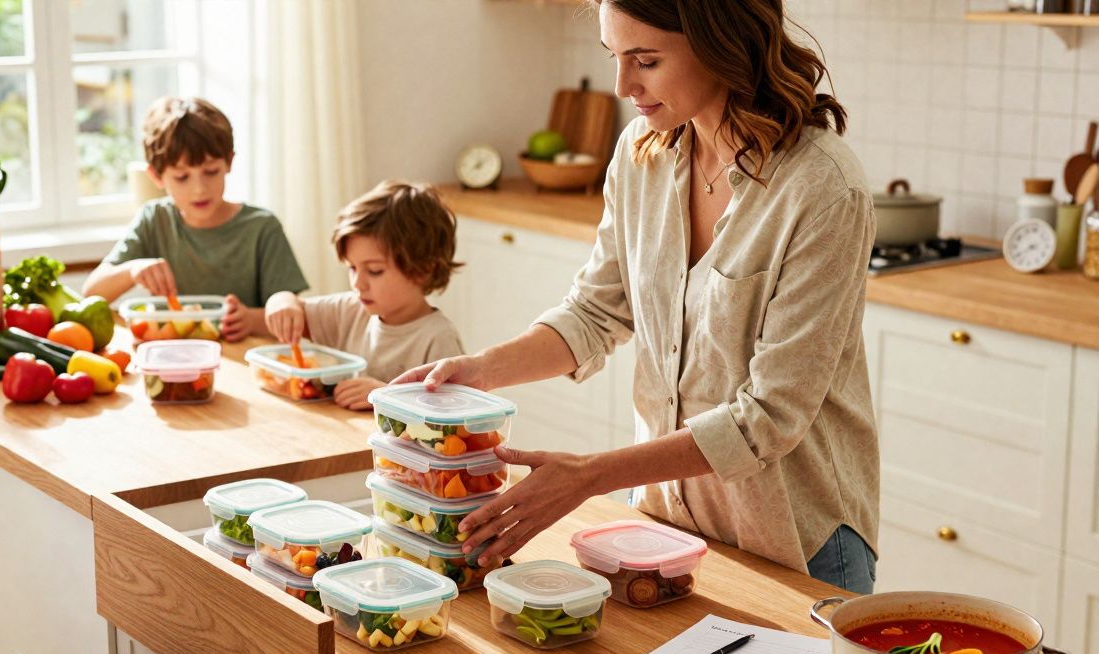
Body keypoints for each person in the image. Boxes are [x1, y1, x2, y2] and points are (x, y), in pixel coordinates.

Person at [395, 0, 880, 594]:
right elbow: (597, 311)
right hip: (662, 522)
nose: (623, 85)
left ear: (721, 43)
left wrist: (588, 476)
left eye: (645, 60)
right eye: (615, 58)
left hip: (795, 541)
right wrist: (481, 371)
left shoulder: (822, 188)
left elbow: (770, 417)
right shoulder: (640, 154)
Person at [83, 96, 309, 341]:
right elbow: (92, 294)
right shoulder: (154, 220)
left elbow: (291, 311)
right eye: (182, 177)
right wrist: (132, 270)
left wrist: (252, 320)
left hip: (241, 364)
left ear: (229, 163)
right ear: (157, 176)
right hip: (171, 359)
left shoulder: (262, 227)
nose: (199, 189)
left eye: (210, 172)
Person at [265, 180, 465, 411]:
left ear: (423, 269)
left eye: (374, 271)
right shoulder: (351, 309)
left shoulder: (438, 339)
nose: (357, 283)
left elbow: (453, 420)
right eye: (352, 268)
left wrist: (385, 397)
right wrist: (282, 302)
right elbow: (294, 308)